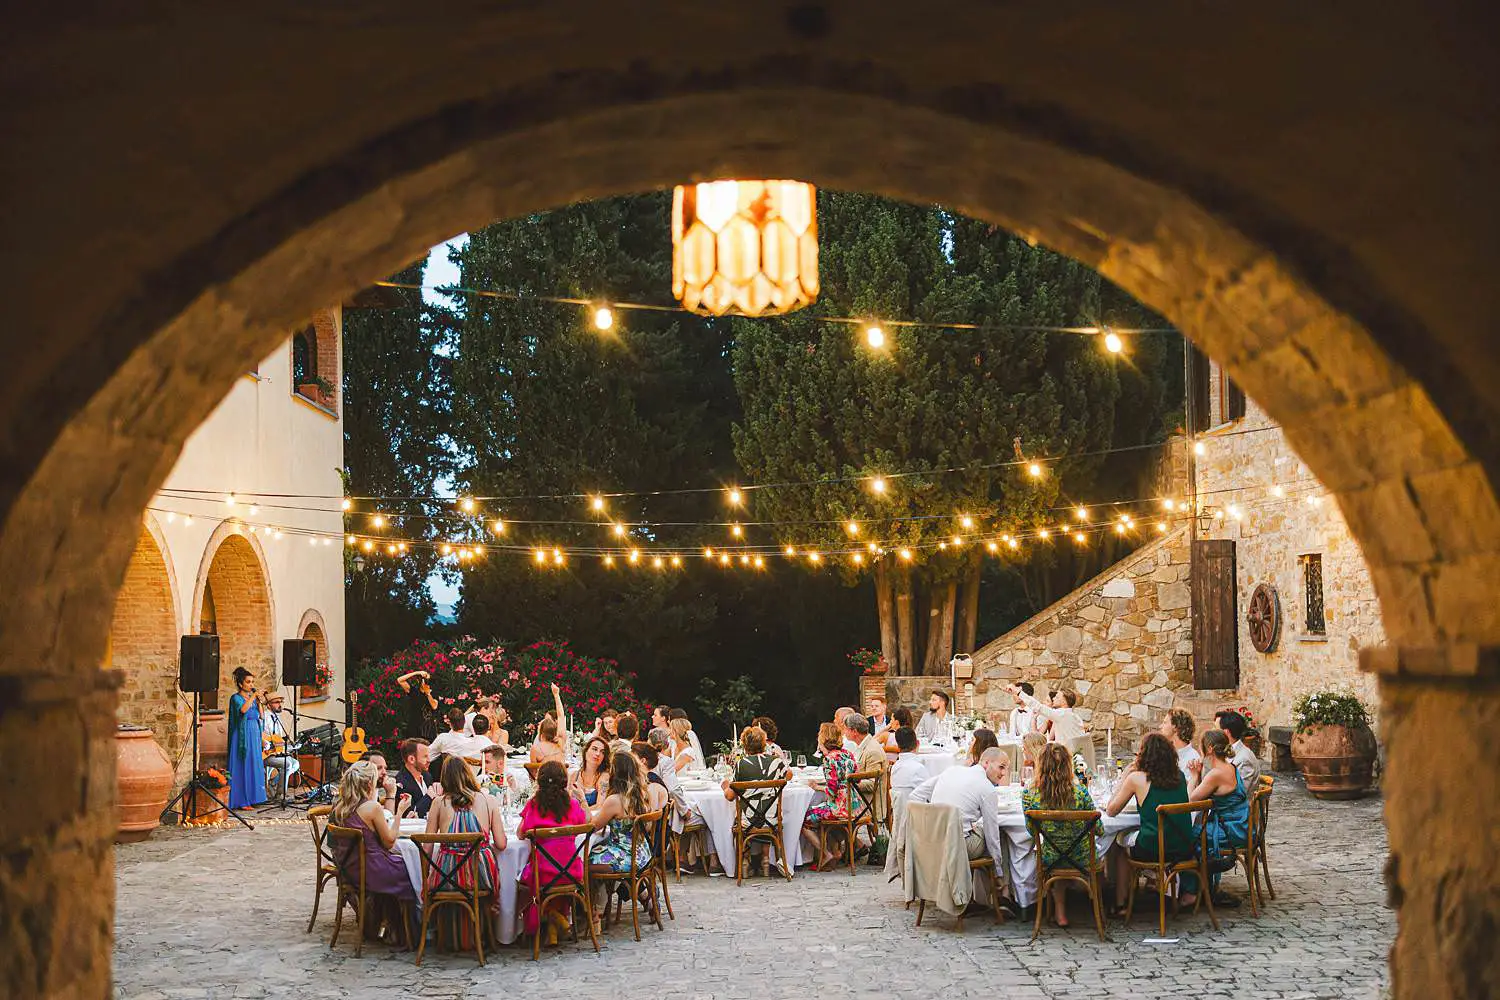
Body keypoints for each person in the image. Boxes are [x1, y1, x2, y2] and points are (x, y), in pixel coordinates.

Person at [1105, 732, 1193, 916]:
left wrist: (1124, 778)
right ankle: (1151, 886)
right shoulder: (1180, 776)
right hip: (1183, 846)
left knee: (1120, 846)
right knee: (1137, 836)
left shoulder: (1137, 779)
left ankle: (1121, 902)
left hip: (1153, 848)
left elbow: (1111, 810)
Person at [425, 754, 504, 949]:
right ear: (469, 774)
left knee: (438, 872)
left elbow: (427, 847)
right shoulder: (488, 800)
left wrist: (425, 878)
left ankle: (443, 934)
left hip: (446, 877)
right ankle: (487, 934)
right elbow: (502, 844)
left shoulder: (438, 803)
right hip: (481, 878)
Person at [1022, 743, 1103, 928]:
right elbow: (1099, 829)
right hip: (1083, 858)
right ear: (1068, 765)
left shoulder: (1030, 794)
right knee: (1092, 855)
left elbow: (1032, 832)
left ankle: (1059, 911)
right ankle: (1098, 907)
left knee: (1059, 853)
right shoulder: (1081, 793)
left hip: (1050, 859)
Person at [517, 760, 589, 945]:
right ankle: (554, 926)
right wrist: (582, 800)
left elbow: (520, 834)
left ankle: (548, 919)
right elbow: (588, 824)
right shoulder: (572, 805)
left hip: (543, 874)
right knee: (554, 872)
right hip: (572, 872)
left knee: (521, 879)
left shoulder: (534, 806)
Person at [1181, 729, 1250, 908]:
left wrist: (1194, 776)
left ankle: (1192, 892)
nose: (1199, 749)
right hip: (1241, 825)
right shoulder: (1230, 767)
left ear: (1209, 749)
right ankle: (1207, 888)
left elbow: (1190, 800)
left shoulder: (1215, 774)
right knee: (1194, 833)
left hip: (1230, 831)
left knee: (1186, 837)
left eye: (1201, 746)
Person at [330, 760, 415, 903]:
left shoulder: (340, 807)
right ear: (370, 784)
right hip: (371, 871)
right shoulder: (372, 808)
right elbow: (389, 842)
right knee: (414, 870)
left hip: (349, 868)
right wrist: (400, 811)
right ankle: (412, 920)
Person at [929, 747, 1010, 878]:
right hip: (957, 846)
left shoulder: (951, 770)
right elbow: (992, 834)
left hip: (932, 840)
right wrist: (998, 869)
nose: (1004, 773)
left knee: (981, 831)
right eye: (1001, 767)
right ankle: (1000, 888)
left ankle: (976, 889)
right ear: (986, 763)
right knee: (1000, 834)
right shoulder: (987, 787)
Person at [801, 722, 863, 869]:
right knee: (824, 816)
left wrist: (817, 787)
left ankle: (825, 854)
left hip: (840, 808)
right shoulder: (848, 754)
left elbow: (832, 791)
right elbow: (857, 779)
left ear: (823, 739)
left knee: (805, 821)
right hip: (855, 806)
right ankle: (836, 853)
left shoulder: (829, 759)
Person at [587, 752, 655, 875]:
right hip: (643, 853)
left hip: (626, 857)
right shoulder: (642, 795)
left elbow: (592, 826)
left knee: (581, 863)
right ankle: (636, 890)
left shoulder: (615, 800)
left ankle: (597, 894)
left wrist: (582, 801)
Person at [226, 668, 268, 811]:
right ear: (240, 684)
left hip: (254, 733)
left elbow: (261, 716)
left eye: (252, 682)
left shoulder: (252, 699)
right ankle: (242, 801)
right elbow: (243, 710)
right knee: (243, 765)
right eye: (248, 682)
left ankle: (253, 797)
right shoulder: (235, 698)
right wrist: (253, 696)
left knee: (254, 764)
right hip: (242, 735)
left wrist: (259, 701)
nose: (251, 685)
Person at [843, 712, 887, 826]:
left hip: (868, 804)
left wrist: (848, 783)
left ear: (854, 732)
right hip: (860, 799)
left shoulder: (872, 750)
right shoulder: (863, 746)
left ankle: (854, 843)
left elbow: (873, 783)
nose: (844, 732)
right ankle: (854, 843)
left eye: (846, 729)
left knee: (830, 812)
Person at [1006, 683, 1085, 744]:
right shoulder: (1071, 715)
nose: (1053, 698)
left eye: (1057, 697)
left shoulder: (1061, 714)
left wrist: (1018, 691)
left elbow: (1038, 706)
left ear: (1064, 702)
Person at [1215, 710, 1263, 795]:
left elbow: (1239, 794)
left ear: (1226, 732)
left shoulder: (1244, 759)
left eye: (1216, 730)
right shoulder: (1228, 750)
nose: (1214, 733)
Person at [645, 728, 688, 819]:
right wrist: (684, 811)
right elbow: (673, 789)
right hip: (659, 812)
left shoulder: (639, 758)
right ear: (666, 744)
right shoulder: (665, 761)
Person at [260, 691, 296, 800]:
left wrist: (290, 745)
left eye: (281, 702)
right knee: (287, 764)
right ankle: (281, 795)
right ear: (269, 704)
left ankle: (274, 781)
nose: (280, 705)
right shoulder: (264, 716)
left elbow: (278, 739)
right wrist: (266, 743)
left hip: (275, 752)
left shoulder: (277, 718)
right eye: (276, 702)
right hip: (265, 754)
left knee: (295, 764)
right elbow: (260, 733)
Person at [530, 682, 569, 765]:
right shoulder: (560, 743)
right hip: (560, 777)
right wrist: (556, 695)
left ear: (541, 732)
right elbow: (561, 716)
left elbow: (532, 775)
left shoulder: (535, 749)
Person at [394, 669, 439, 741]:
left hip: (428, 731)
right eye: (424, 680)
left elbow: (434, 706)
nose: (426, 683)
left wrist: (428, 694)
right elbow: (400, 680)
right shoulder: (414, 691)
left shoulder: (433, 693)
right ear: (419, 680)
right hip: (414, 729)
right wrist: (416, 673)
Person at [395, 738, 433, 818]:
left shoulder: (427, 776)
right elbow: (407, 814)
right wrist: (428, 797)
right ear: (411, 759)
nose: (429, 760)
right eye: (425, 757)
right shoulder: (400, 782)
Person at [570, 735, 612, 807]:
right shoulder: (574, 775)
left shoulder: (604, 777)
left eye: (602, 752)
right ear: (586, 751)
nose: (598, 754)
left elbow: (599, 806)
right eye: (594, 749)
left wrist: (579, 813)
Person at [1161, 708, 1202, 782]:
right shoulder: (1162, 753)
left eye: (1165, 722)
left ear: (1175, 727)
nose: (1160, 726)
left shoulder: (1193, 759)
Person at [888, 726, 926, 796]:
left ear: (898, 746)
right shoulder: (919, 768)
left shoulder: (894, 768)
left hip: (898, 806)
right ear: (917, 743)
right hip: (915, 806)